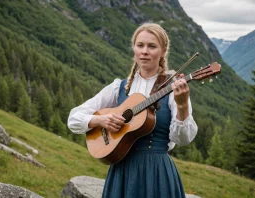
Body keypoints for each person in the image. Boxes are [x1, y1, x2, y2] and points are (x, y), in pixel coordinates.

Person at [68, 23, 198, 198]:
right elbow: (74, 118)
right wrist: (101, 120)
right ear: (134, 48)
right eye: (140, 45)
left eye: (152, 46)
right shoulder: (119, 87)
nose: (144, 51)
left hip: (157, 173)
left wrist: (182, 106)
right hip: (121, 171)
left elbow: (183, 139)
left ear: (163, 51)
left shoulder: (173, 87)